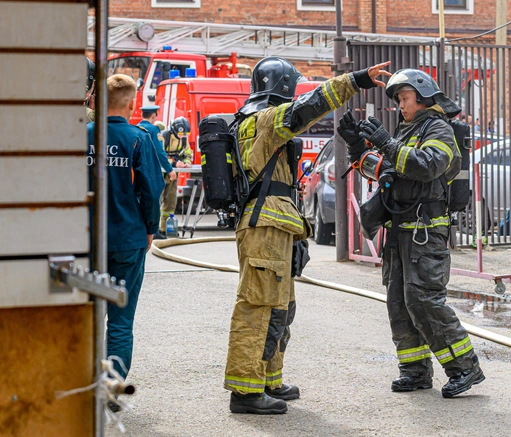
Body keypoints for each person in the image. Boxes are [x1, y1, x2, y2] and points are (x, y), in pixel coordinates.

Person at [224, 56, 391, 415]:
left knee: (280, 308)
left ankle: (268, 380)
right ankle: (245, 392)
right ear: (282, 88)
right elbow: (309, 106)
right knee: (258, 307)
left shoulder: (250, 122)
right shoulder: (266, 120)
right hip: (264, 227)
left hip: (275, 227)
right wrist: (357, 79)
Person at [338, 69, 485, 398]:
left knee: (424, 301)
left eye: (404, 98)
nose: (400, 105)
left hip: (425, 232)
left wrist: (386, 142)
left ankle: (465, 367)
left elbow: (427, 166)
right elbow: (384, 171)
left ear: (422, 96)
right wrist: (356, 145)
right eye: (398, 100)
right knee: (399, 303)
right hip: (399, 232)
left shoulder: (438, 129)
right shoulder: (405, 132)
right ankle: (415, 371)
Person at [86, 74, 164, 384]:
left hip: (87, 240)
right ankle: (113, 387)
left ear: (99, 101)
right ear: (132, 104)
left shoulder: (82, 134)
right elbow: (151, 190)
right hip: (127, 239)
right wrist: (150, 229)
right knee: (120, 320)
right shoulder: (138, 138)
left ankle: (81, 386)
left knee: (86, 317)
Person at [155, 116, 192, 239]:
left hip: (173, 175)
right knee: (156, 202)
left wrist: (186, 163)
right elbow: (159, 155)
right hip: (160, 175)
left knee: (170, 204)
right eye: (180, 132)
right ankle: (154, 231)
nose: (182, 135)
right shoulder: (163, 137)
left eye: (184, 133)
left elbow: (187, 154)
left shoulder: (183, 140)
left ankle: (164, 230)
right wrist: (174, 163)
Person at [138, 105, 176, 184]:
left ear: (142, 115)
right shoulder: (154, 130)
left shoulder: (135, 128)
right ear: (153, 116)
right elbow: (159, 152)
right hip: (150, 172)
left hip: (137, 171)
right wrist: (169, 170)